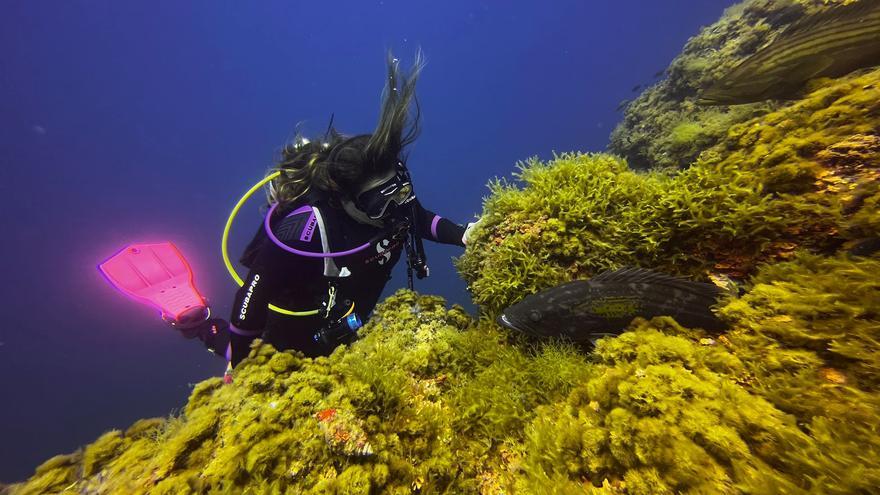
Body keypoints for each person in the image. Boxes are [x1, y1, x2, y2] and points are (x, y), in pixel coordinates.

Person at [224, 52, 475, 367]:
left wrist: (464, 235)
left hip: (348, 320)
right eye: (378, 203)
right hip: (296, 329)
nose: (393, 208)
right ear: (344, 197)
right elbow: (250, 300)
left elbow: (419, 219)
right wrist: (240, 369)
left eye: (399, 192)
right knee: (274, 359)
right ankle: (198, 322)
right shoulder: (305, 229)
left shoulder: (395, 205)